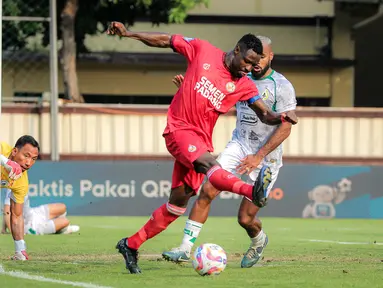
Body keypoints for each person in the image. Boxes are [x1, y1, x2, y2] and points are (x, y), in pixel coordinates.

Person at [106, 22, 298, 274]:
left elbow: (264, 114)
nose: (249, 69)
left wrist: (283, 118)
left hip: (201, 141)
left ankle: (130, 244)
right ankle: (252, 190)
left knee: (176, 205)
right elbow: (166, 40)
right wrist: (129, 34)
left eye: (254, 65)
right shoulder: (202, 49)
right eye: (247, 62)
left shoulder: (244, 85)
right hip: (179, 130)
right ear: (237, 49)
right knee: (210, 167)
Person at [162, 36, 297, 268]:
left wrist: (259, 156)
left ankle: (258, 240)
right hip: (239, 143)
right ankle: (185, 249)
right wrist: (188, 87)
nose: (255, 63)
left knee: (245, 219)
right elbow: (211, 93)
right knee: (208, 188)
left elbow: (285, 127)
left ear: (270, 57)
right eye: (252, 58)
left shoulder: (281, 86)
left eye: (261, 58)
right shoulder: (239, 77)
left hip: (266, 155)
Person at [0, 135, 40, 260]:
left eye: (33, 159)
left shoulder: (21, 182)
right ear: (14, 151)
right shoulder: (2, 148)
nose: (29, 163)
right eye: (26, 156)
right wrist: (5, 161)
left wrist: (20, 249)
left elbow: (16, 216)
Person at [2, 190, 80, 235]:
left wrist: (3, 229)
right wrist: (14, 232)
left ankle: (56, 225)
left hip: (34, 213)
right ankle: (62, 230)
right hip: (31, 226)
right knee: (65, 221)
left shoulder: (22, 179)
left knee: (62, 207)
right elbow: (6, 211)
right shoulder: (11, 188)